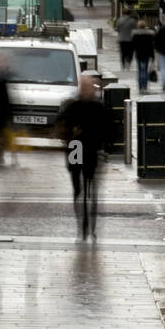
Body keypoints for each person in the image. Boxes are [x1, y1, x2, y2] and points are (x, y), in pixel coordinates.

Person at [55, 73, 108, 239]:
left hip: (91, 148)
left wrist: (103, 147)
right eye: (83, 87)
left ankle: (90, 224)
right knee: (77, 187)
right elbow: (61, 126)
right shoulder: (72, 106)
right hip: (76, 148)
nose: (85, 90)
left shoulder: (98, 107)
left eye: (88, 87)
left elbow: (109, 131)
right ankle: (81, 222)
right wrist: (69, 133)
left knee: (91, 187)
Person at [132, 19, 155, 95]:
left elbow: (133, 46)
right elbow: (151, 46)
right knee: (145, 71)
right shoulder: (149, 34)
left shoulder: (135, 35)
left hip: (138, 55)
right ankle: (145, 87)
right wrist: (152, 56)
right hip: (146, 55)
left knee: (139, 71)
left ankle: (140, 87)